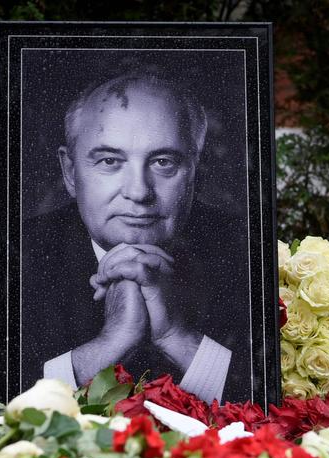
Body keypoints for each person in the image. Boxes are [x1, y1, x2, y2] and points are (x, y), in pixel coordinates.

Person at [22, 70, 250, 403]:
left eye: (163, 162)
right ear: (70, 172)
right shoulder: (21, 250)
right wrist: (111, 342)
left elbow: (276, 408)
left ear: (194, 172)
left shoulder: (246, 250)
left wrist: (177, 336)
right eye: (110, 161)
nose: (139, 192)